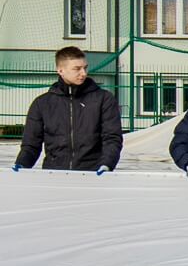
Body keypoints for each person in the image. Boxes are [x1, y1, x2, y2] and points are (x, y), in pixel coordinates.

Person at [13, 46, 122, 174]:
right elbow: (31, 144)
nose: (83, 73)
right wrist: (21, 163)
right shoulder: (42, 103)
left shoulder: (104, 99)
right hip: (54, 175)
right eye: (77, 69)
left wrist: (107, 164)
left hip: (93, 174)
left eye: (85, 68)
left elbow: (112, 138)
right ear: (60, 70)